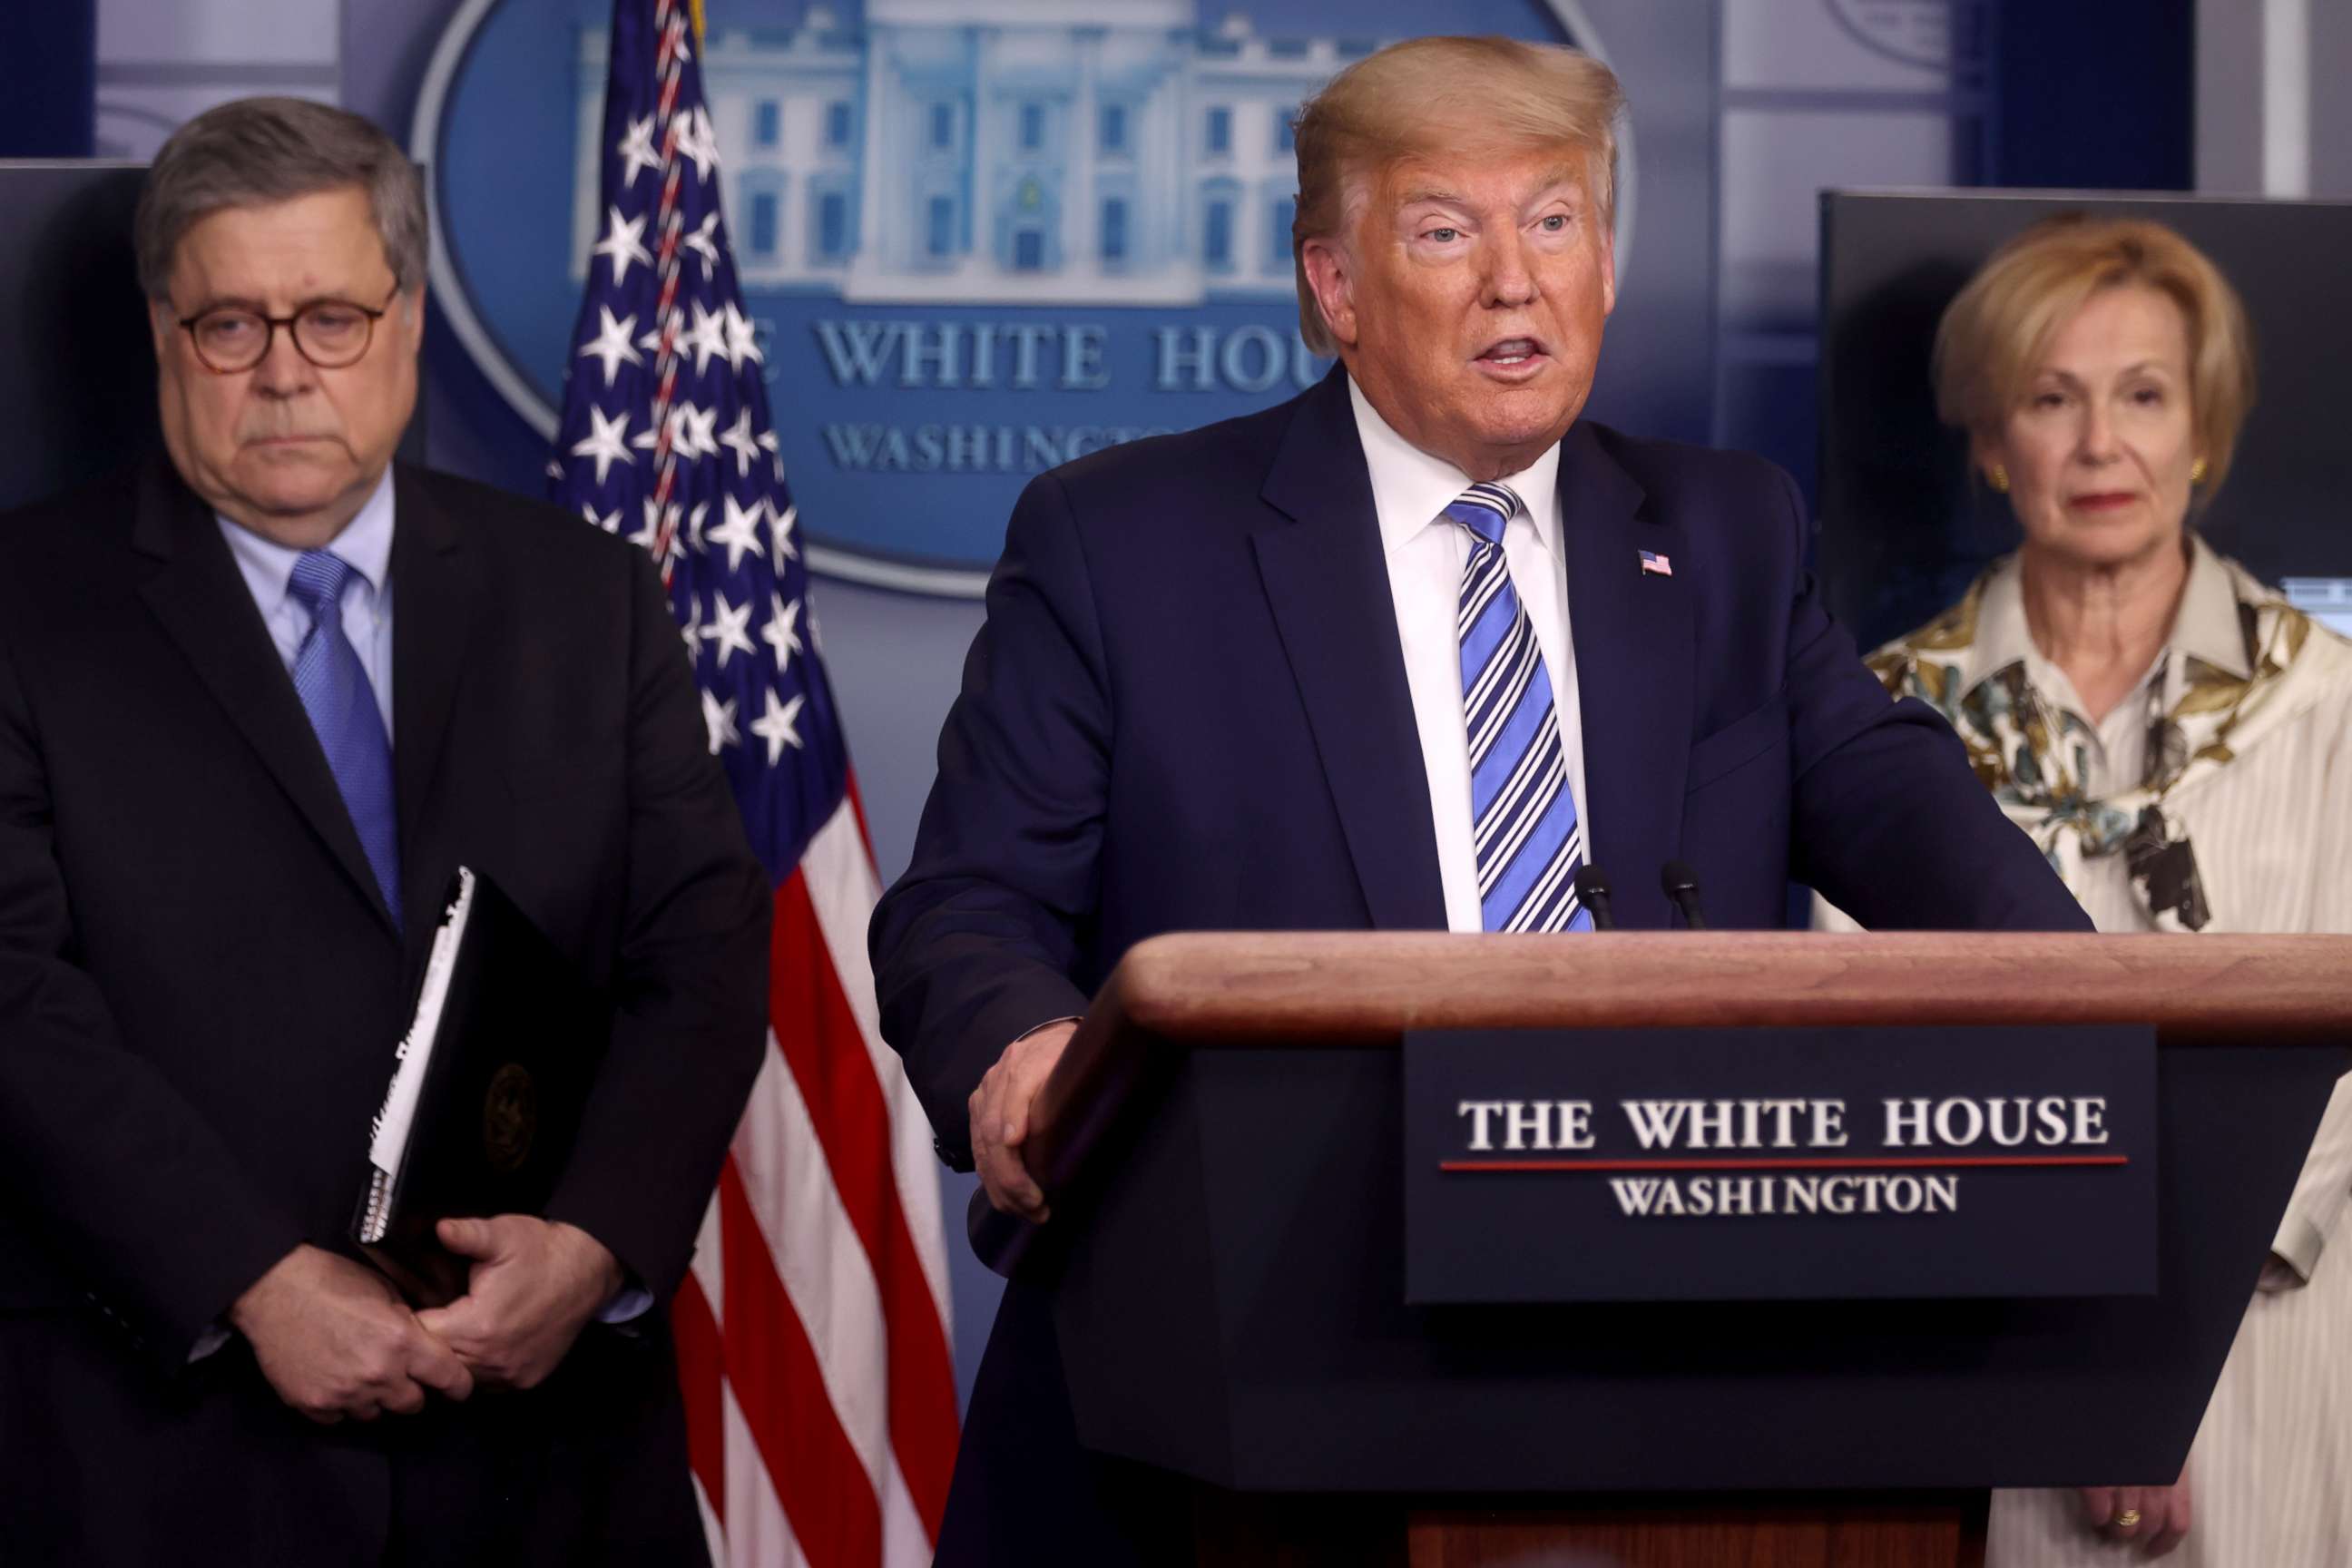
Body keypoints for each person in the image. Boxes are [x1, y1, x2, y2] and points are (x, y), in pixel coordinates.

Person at [869, 35, 2088, 1566]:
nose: (1517, 279)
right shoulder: (1125, 541)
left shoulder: (1721, 531)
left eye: (1558, 219)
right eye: (1448, 230)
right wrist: (1026, 1046)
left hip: (1663, 1359)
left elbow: (1885, 791)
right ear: (1339, 287)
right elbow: (965, 904)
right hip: (1235, 1362)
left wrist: (2097, 993)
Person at [0, 98, 769, 1565]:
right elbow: (12, 1000)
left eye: (334, 317)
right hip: (156, 1438)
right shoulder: (23, 608)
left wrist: (595, 1243)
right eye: (233, 323)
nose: (286, 374)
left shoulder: (591, 601)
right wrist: (249, 1279)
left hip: (541, 1442)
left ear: (407, 324)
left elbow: (707, 949)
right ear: (165, 331)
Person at [1843, 214, 2352, 1563]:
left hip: (2275, 1332)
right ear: (1990, 443)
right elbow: (1869, 1067)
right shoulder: (1883, 718)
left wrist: (2163, 1347)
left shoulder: (2334, 700)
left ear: (2204, 431)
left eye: (2143, 397)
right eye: (2050, 401)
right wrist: (2078, 1348)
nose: (2099, 446)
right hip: (1997, 1347)